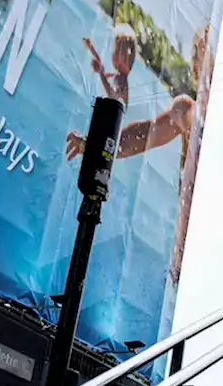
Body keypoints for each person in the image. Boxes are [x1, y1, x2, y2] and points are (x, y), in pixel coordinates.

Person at [65, 25, 214, 284]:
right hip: (184, 258)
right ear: (195, 66)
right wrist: (93, 143)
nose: (209, 71)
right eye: (204, 60)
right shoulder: (187, 111)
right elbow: (141, 136)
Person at [82, 25, 136, 106]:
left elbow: (112, 95)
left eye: (116, 50)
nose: (113, 53)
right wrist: (92, 49)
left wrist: (100, 73)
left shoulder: (121, 79)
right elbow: (102, 70)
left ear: (123, 57)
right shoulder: (120, 77)